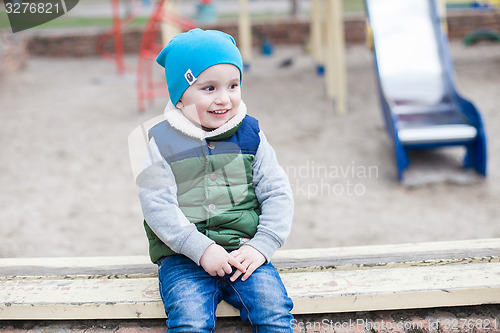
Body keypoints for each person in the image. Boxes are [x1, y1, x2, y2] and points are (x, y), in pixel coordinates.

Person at [137, 28, 294, 332]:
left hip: (243, 250)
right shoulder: (163, 142)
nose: (224, 98)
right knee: (190, 320)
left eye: (233, 86)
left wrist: (262, 246)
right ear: (180, 97)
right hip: (184, 258)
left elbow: (277, 193)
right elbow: (157, 205)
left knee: (273, 310)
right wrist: (201, 249)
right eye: (209, 88)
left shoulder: (251, 135)